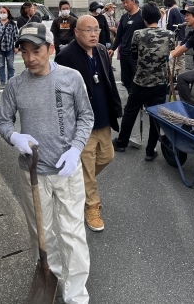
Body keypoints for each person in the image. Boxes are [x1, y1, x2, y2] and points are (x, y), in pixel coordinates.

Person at [0, 22, 94, 304]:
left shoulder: (71, 77)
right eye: (24, 52)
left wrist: (76, 150)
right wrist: (14, 136)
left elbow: (86, 116)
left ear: (51, 49)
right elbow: (3, 121)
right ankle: (53, 279)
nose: (30, 58)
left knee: (73, 233)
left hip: (67, 171)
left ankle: (76, 294)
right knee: (42, 235)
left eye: (36, 50)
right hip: (32, 174)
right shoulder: (15, 85)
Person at [56, 15, 122, 232]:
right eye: (88, 30)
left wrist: (116, 107)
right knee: (86, 169)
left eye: (96, 29)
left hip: (103, 118)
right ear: (76, 32)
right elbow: (62, 94)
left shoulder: (102, 50)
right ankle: (91, 205)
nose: (94, 34)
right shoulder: (66, 56)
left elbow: (109, 81)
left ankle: (77, 184)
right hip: (82, 124)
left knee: (107, 156)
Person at [112, 2, 174, 160]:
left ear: (144, 18)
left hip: (141, 81)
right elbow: (169, 53)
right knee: (156, 115)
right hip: (160, 82)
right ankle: (150, 151)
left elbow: (134, 55)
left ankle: (121, 142)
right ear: (158, 17)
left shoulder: (138, 34)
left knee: (130, 111)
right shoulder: (169, 35)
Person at [108, 0, 145, 92]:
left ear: (133, 2)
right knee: (126, 79)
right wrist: (112, 48)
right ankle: (131, 97)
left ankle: (139, 100)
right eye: (123, 3)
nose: (125, 5)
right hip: (124, 52)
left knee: (138, 78)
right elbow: (119, 35)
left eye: (127, 2)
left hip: (136, 54)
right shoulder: (124, 17)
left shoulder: (142, 16)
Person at [0, 6, 19, 88]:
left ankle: (10, 82)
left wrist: (16, 47)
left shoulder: (12, 24)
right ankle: (2, 82)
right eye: (1, 12)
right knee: (1, 66)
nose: (2, 14)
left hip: (9, 48)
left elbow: (16, 37)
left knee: (11, 66)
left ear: (8, 13)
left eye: (4, 12)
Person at [164, 0, 186, 76]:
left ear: (167, 5)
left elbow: (168, 24)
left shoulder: (171, 10)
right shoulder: (181, 10)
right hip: (183, 38)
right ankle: (181, 78)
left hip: (174, 38)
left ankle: (171, 81)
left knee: (172, 60)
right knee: (181, 60)